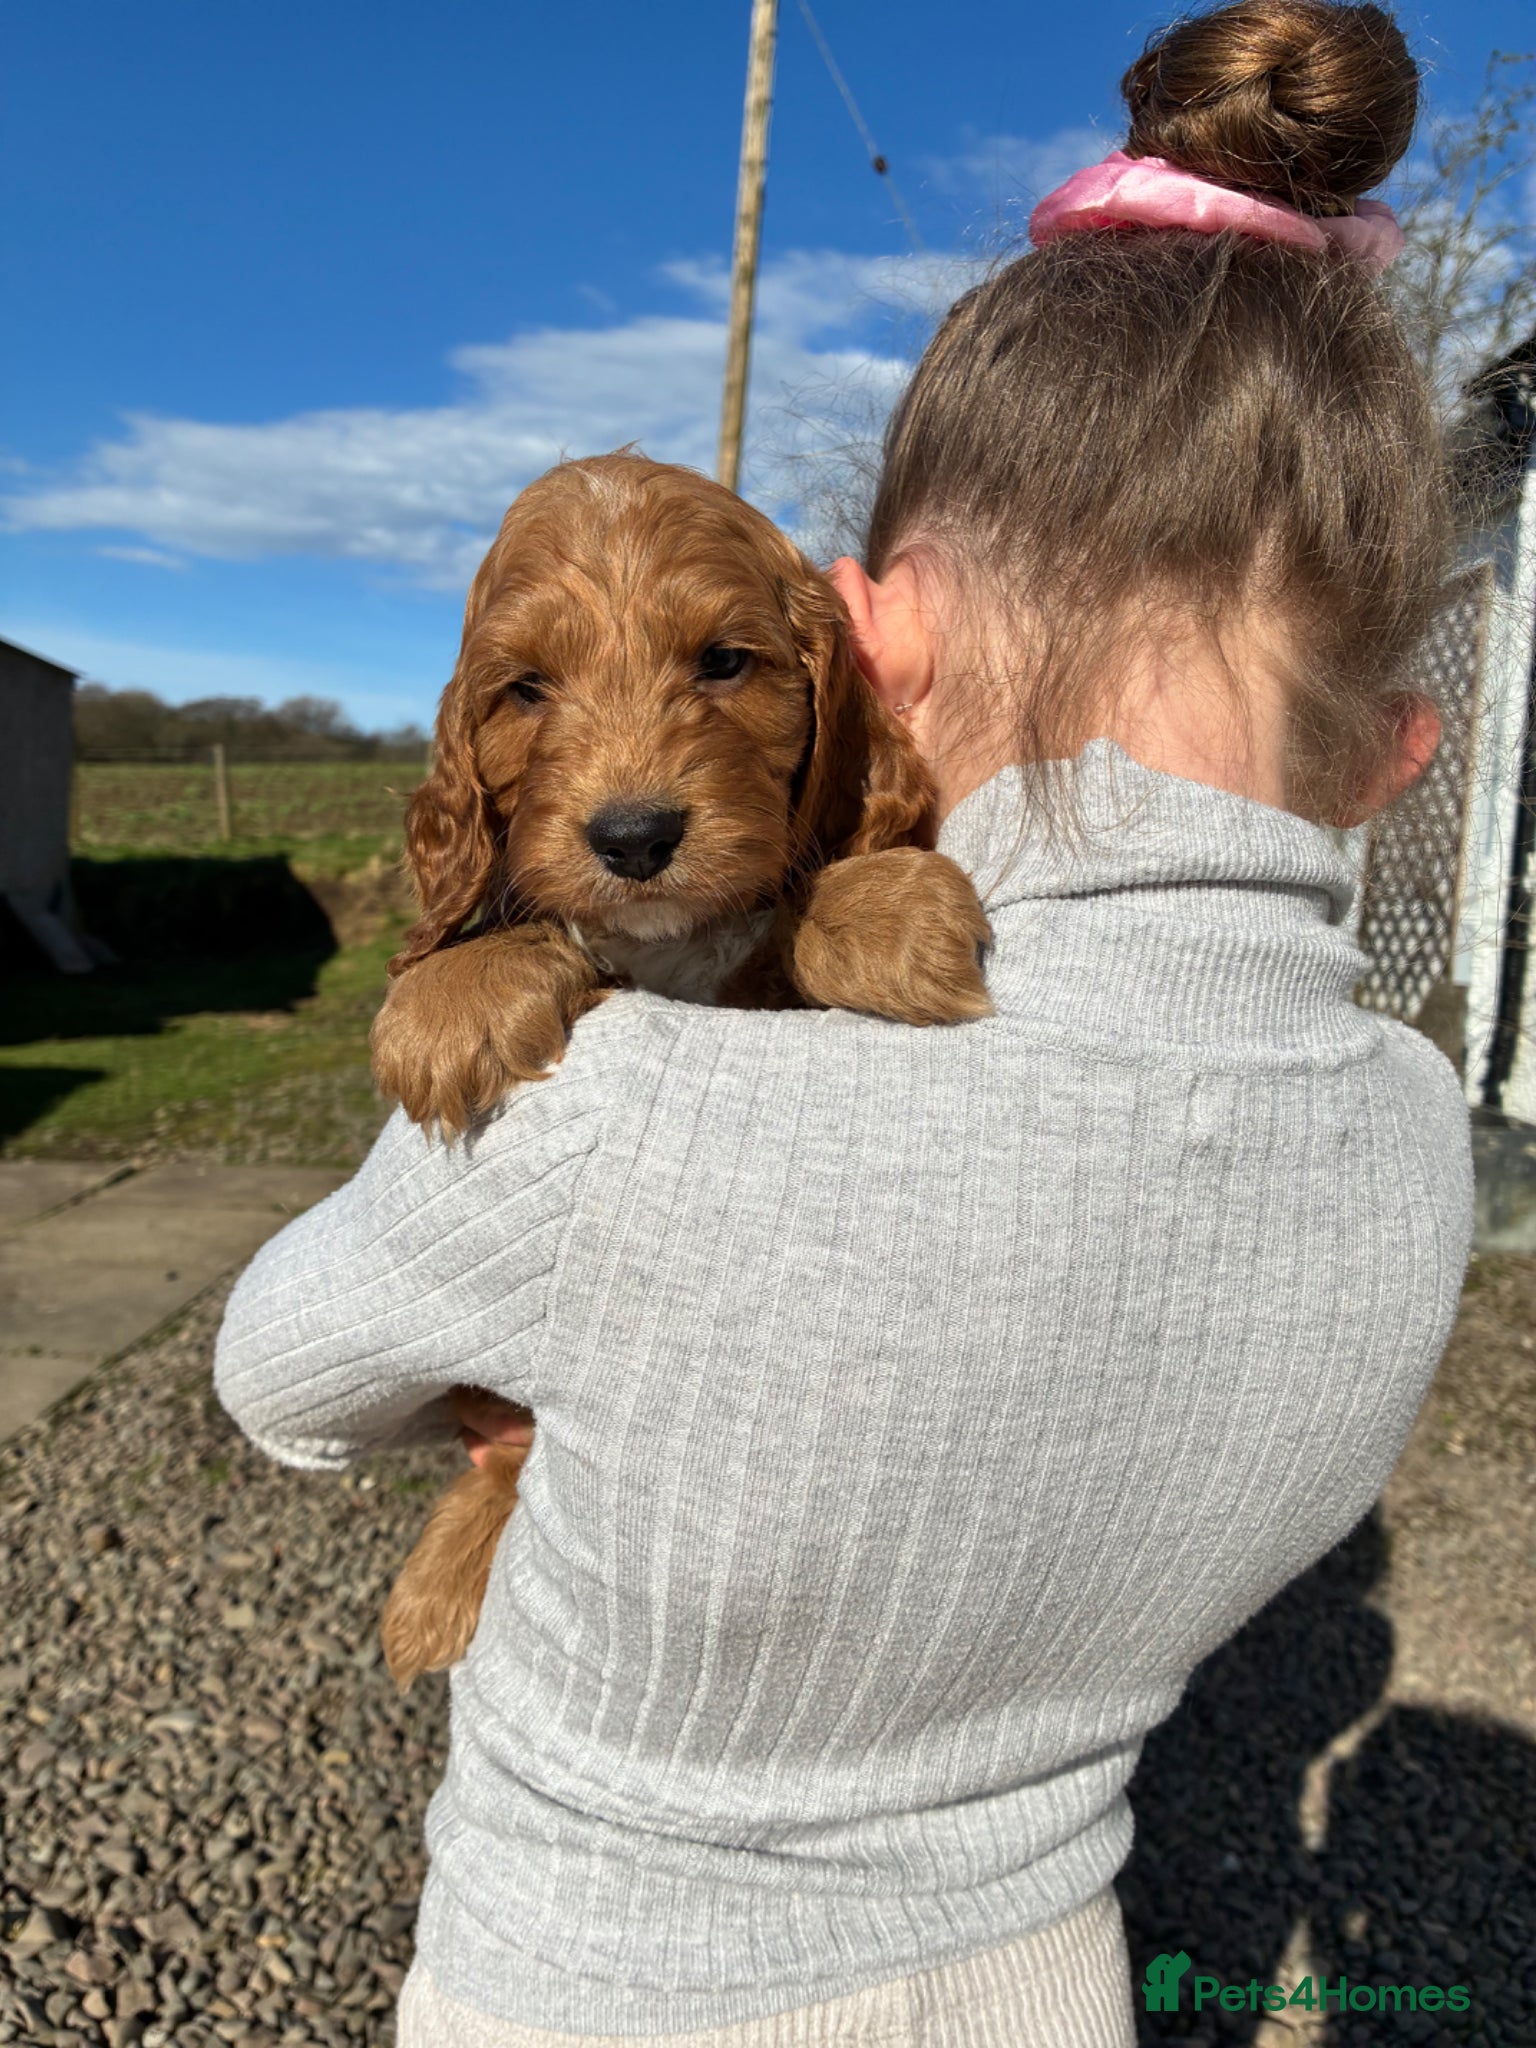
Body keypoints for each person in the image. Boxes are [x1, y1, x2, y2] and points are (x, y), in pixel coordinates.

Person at [212, 3, 1474, 2041]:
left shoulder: (615, 1121)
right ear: (1400, 753)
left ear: (867, 645)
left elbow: (280, 1380)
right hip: (1050, 1969)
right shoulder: (1422, 1142)